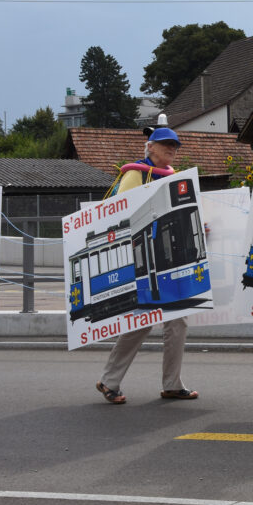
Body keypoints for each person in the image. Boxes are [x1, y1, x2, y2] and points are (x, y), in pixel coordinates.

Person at [94, 127, 198, 405]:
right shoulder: (135, 174)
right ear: (149, 147)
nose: (171, 149)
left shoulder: (174, 177)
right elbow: (119, 211)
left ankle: (172, 384)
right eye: (165, 145)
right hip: (142, 260)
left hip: (169, 259)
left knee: (178, 320)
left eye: (174, 146)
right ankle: (109, 381)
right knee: (141, 322)